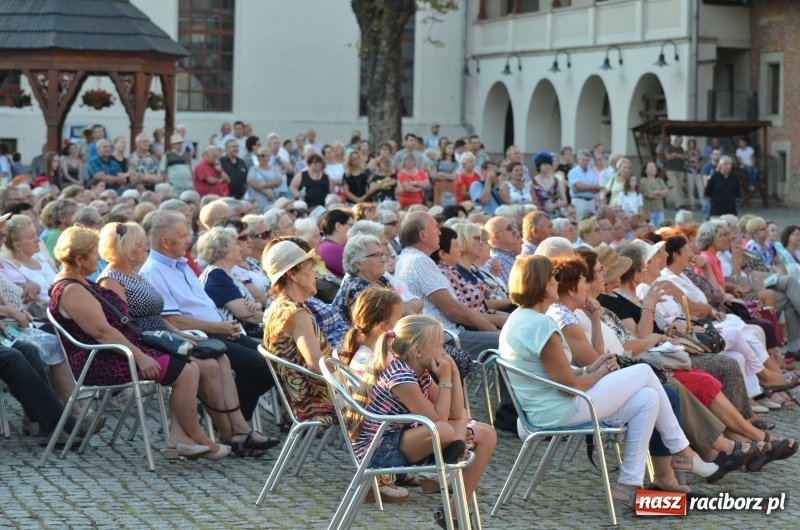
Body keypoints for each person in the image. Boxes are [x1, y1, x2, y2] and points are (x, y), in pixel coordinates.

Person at [499, 255, 717, 510]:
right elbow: (569, 386)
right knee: (645, 372)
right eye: (551, 279)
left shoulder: (520, 318)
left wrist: (591, 369)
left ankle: (629, 486)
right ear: (542, 285)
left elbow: (553, 375)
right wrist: (600, 373)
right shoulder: (541, 325)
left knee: (649, 398)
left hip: (549, 406)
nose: (556, 283)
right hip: (558, 410)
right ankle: (682, 450)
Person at [96, 222, 277, 456]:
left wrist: (180, 334)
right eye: (139, 244)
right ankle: (226, 435)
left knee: (219, 358)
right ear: (125, 248)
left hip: (167, 335)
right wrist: (175, 335)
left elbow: (157, 315)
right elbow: (126, 323)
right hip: (148, 342)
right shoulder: (111, 279)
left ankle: (239, 429)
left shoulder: (133, 273)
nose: (145, 248)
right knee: (208, 365)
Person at [49, 226, 230, 460]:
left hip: (116, 350)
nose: (99, 256)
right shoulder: (73, 289)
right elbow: (103, 332)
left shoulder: (79, 282)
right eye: (94, 253)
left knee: (191, 367)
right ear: (80, 259)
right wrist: (141, 357)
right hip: (101, 359)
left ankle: (179, 438)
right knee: (186, 371)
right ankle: (195, 437)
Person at [348, 314, 496, 527]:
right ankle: (454, 446)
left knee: (487, 434)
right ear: (418, 351)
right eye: (439, 346)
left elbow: (457, 411)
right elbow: (439, 419)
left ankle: (453, 513)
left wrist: (453, 372)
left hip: (403, 438)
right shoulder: (401, 377)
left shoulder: (421, 373)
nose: (444, 352)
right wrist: (444, 380)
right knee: (443, 431)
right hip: (378, 449)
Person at [138, 211, 274, 421]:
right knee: (257, 365)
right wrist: (220, 327)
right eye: (183, 235)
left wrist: (225, 325)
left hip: (220, 330)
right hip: (199, 336)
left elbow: (205, 305)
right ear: (166, 241)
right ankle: (232, 424)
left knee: (274, 361)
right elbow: (174, 321)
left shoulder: (181, 265)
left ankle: (222, 416)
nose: (188, 240)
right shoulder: (153, 272)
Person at [395, 212, 501, 360]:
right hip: (445, 340)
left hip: (442, 335)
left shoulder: (411, 257)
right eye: (435, 228)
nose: (439, 232)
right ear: (423, 235)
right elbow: (453, 309)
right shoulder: (418, 260)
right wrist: (494, 331)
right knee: (508, 342)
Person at [262, 239, 336, 426]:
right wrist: (355, 379)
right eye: (310, 269)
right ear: (292, 275)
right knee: (388, 393)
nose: (316, 275)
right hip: (317, 401)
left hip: (310, 396)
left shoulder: (281, 306)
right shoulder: (295, 313)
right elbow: (318, 364)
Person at [198, 227, 264, 338]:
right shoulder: (216, 276)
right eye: (235, 244)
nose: (240, 248)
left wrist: (256, 306)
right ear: (222, 250)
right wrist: (273, 318)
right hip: (234, 336)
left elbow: (249, 309)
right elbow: (247, 314)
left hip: (244, 332)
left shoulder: (229, 274)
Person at [567, 149, 603, 220]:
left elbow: (598, 188)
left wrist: (583, 188)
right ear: (578, 160)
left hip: (591, 201)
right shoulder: (573, 172)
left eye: (587, 160)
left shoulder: (591, 173)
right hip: (579, 201)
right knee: (578, 222)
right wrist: (591, 188)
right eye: (583, 160)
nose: (585, 162)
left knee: (591, 223)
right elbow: (579, 186)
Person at [246, 146, 284, 212]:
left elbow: (278, 182)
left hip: (273, 200)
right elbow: (253, 183)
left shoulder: (275, 169)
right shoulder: (253, 169)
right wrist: (267, 193)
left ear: (269, 157)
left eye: (263, 156)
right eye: (258, 156)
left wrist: (264, 185)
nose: (260, 158)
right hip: (257, 202)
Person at [318, 209, 353, 278]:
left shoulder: (325, 245)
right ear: (338, 226)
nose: (354, 229)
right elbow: (362, 273)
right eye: (351, 225)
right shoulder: (333, 249)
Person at [532, 152, 567, 217]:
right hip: (540, 215)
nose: (547, 166)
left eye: (549, 163)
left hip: (556, 215)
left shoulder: (557, 180)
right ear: (539, 166)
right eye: (545, 164)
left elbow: (565, 201)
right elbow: (534, 201)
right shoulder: (533, 182)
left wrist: (555, 205)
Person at [638, 161, 669, 227]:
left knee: (660, 229)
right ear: (645, 171)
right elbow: (650, 195)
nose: (653, 168)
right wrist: (660, 194)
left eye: (654, 167)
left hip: (659, 208)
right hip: (649, 210)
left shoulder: (659, 180)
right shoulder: (644, 181)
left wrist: (656, 192)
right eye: (650, 167)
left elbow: (666, 192)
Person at [664, 136, 688, 209]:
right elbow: (668, 157)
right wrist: (678, 156)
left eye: (681, 142)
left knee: (680, 186)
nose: (680, 144)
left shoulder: (681, 149)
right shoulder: (668, 147)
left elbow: (684, 157)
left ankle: (680, 203)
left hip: (680, 169)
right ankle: (680, 204)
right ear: (675, 141)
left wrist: (675, 155)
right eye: (679, 142)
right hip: (670, 169)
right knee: (676, 185)